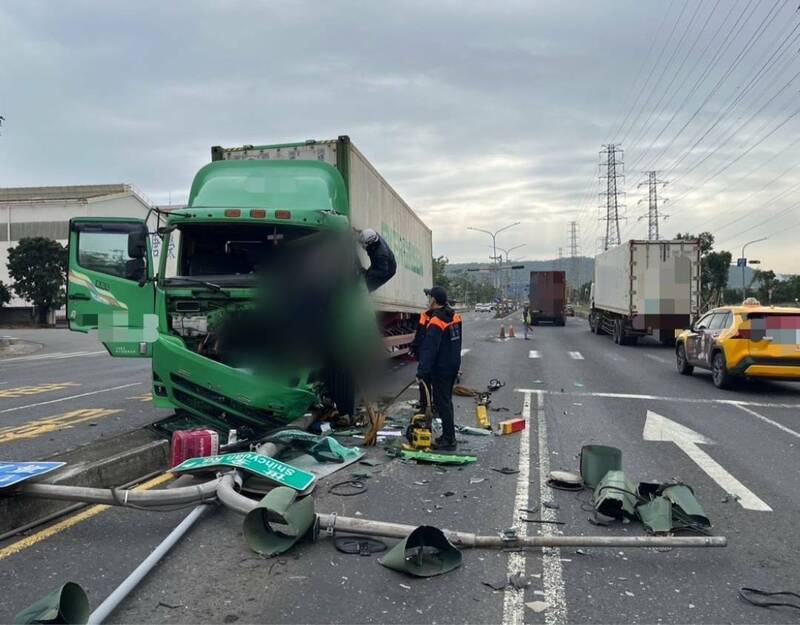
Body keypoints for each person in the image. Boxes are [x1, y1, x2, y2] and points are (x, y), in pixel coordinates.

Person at [416, 286, 462, 451]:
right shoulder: (454, 316)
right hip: (452, 365)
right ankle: (448, 436)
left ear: (434, 300)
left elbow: (430, 349)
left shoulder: (436, 320)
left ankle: (449, 439)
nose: (428, 299)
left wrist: (422, 371)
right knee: (446, 402)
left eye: (429, 297)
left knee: (442, 403)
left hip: (441, 368)